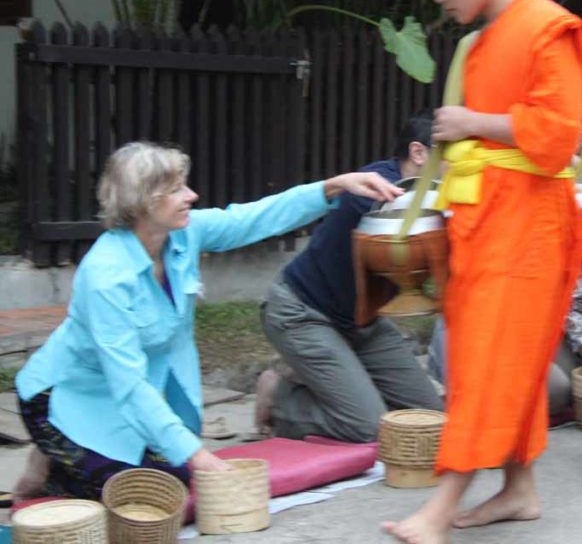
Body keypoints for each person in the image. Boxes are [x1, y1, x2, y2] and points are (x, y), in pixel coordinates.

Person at [12, 142, 400, 501]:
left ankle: (63, 460)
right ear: (145, 202)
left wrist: (334, 187)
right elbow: (129, 383)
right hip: (65, 397)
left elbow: (252, 218)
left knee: (173, 478)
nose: (191, 196)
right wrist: (202, 458)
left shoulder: (184, 235)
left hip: (118, 399)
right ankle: (50, 461)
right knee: (136, 495)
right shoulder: (104, 276)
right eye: (178, 189)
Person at [383, 0, 582, 543]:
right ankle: (519, 489)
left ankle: (440, 511)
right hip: (485, 220)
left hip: (527, 224)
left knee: (492, 365)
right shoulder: (484, 40)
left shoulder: (548, 26)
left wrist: (472, 120)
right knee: (502, 361)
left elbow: (558, 136)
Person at [254, 113, 444, 443]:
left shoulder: (437, 197)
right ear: (419, 153)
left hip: (364, 322)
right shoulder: (371, 189)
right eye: (456, 155)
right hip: (303, 314)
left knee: (429, 418)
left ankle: (353, 393)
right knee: (369, 427)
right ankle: (281, 398)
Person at [428, 281, 582, 420]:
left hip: (537, 325)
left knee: (579, 386)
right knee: (556, 391)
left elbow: (572, 296)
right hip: (488, 330)